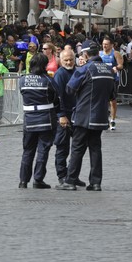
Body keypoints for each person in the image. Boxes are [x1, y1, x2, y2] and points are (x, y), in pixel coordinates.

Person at [56, 42, 116, 191]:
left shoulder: (85, 69)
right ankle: (95, 183)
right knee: (95, 148)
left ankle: (70, 180)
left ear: (86, 54)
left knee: (77, 148)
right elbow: (112, 95)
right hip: (101, 116)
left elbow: (70, 89)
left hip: (83, 116)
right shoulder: (109, 70)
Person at [18, 53, 60, 189]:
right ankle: (38, 179)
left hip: (29, 120)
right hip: (45, 120)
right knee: (43, 151)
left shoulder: (23, 80)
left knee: (28, 150)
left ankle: (23, 181)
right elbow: (55, 97)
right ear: (44, 65)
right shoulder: (48, 80)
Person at [53, 49, 86, 187]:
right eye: (66, 60)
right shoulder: (59, 74)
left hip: (77, 115)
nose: (68, 62)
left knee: (77, 148)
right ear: (60, 60)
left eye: (71, 59)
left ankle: (73, 175)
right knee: (62, 147)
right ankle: (62, 176)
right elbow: (57, 97)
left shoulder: (78, 71)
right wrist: (61, 115)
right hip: (64, 115)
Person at [99, 37, 123, 130]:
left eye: (106, 44)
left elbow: (121, 65)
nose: (104, 46)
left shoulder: (115, 53)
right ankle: (104, 119)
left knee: (112, 101)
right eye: (103, 44)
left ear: (111, 45)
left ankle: (112, 120)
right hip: (102, 80)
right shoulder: (100, 54)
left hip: (113, 80)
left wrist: (116, 68)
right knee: (102, 101)